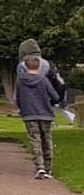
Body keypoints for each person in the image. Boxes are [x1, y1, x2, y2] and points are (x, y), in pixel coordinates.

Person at [16, 38, 65, 179]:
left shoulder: (21, 80)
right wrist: (52, 102)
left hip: (29, 113)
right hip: (46, 112)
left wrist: (22, 107)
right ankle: (49, 168)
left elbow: (18, 97)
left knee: (34, 140)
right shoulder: (45, 76)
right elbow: (55, 95)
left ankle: (40, 167)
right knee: (47, 140)